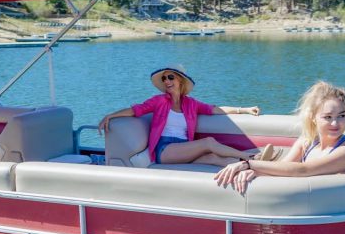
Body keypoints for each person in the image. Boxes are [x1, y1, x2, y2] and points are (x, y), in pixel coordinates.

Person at [97, 64, 270, 166]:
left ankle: (252, 164)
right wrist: (110, 115)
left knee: (214, 158)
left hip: (184, 148)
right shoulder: (159, 101)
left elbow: (216, 109)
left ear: (180, 80)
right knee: (208, 142)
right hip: (164, 150)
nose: (167, 81)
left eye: (170, 77)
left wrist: (244, 110)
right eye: (164, 79)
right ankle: (250, 156)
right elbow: (136, 110)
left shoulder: (191, 104)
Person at [214, 81, 345, 193]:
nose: (335, 123)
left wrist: (248, 164)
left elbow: (303, 170)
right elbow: (284, 168)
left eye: (342, 116)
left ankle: (255, 159)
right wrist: (253, 173)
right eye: (328, 117)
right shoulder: (307, 142)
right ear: (313, 118)